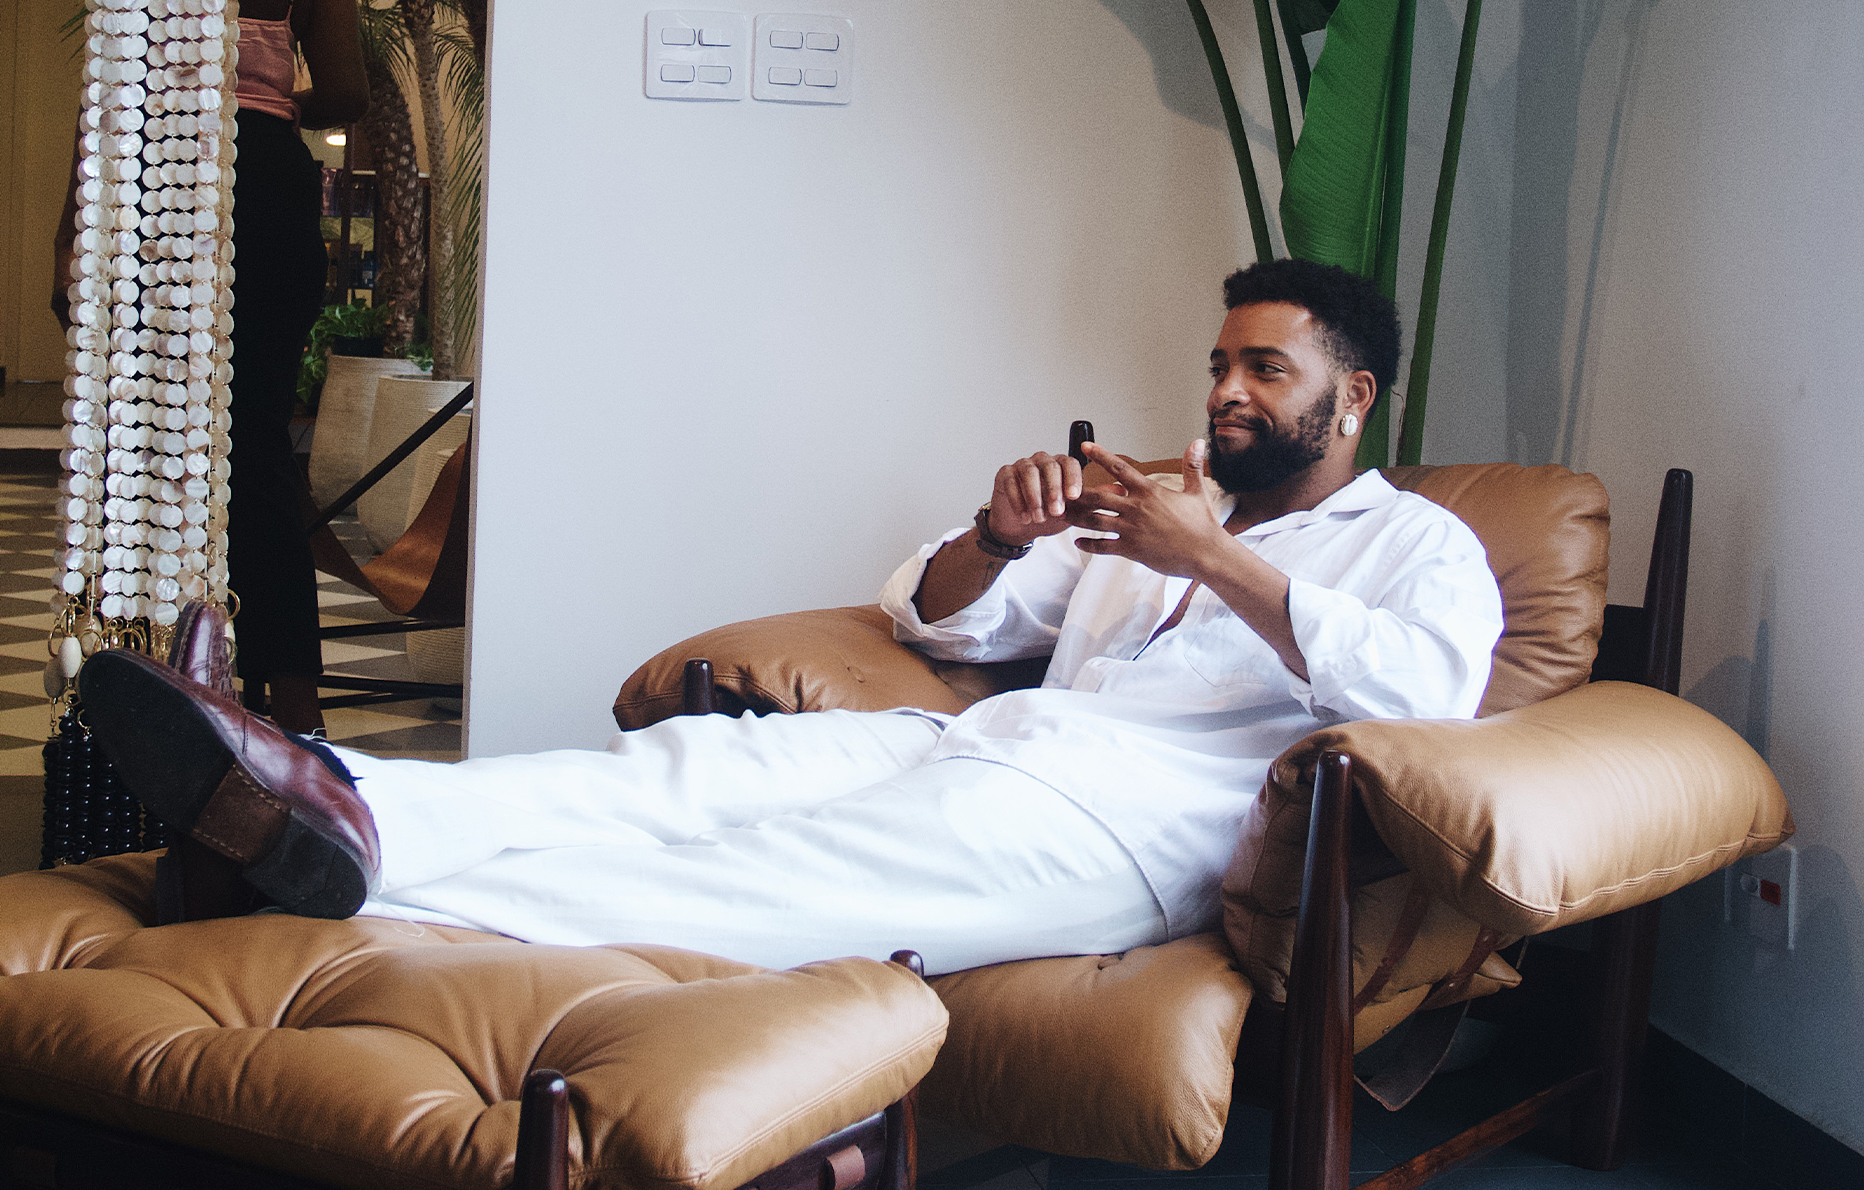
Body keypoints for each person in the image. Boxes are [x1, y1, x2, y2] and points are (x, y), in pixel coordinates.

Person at [79, 259, 1504, 977]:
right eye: (1218, 365)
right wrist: (993, 536)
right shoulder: (1154, 510)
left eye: (1264, 370)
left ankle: (301, 906)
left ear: (1352, 396)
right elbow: (941, 622)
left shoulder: (1420, 547)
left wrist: (1221, 562)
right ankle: (313, 791)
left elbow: (1424, 699)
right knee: (680, 772)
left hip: (1124, 825)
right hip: (971, 740)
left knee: (752, 877)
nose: (1225, 393)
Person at [56, 0, 368, 734]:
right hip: (258, 176)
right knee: (254, 449)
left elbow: (106, 85)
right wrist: (262, 98)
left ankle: (159, 690)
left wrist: (71, 230)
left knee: (145, 453)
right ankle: (295, 705)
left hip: (148, 173)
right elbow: (347, 92)